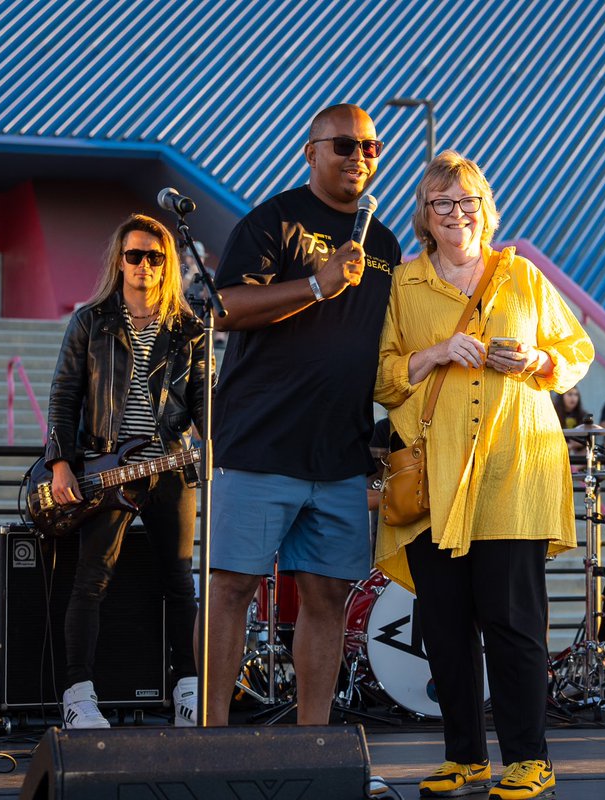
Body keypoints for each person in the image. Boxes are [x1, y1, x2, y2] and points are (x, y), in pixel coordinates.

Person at [374, 151, 593, 800]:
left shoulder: (521, 276)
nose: (456, 213)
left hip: (514, 470)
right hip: (436, 477)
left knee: (513, 621)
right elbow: (383, 376)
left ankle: (530, 758)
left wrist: (537, 359)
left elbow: (577, 354)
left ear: (485, 208)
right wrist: (437, 353)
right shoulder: (404, 286)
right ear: (425, 214)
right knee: (444, 623)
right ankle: (464, 755)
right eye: (442, 203)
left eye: (467, 201)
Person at [202, 104, 402, 731]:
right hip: (261, 445)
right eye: (344, 146)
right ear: (311, 152)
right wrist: (316, 286)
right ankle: (209, 738)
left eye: (370, 148)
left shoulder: (386, 243)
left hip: (339, 454)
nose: (359, 158)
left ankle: (313, 740)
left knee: (327, 598)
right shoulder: (273, 220)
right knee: (232, 589)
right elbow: (224, 307)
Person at [44, 213, 208, 728]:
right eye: (134, 255)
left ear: (168, 265)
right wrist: (62, 463)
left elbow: (205, 400)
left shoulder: (188, 328)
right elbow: (64, 394)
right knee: (91, 580)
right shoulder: (90, 321)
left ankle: (188, 690)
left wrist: (217, 447)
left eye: (154, 257)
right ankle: (77, 696)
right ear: (119, 260)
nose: (143, 265)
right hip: (104, 470)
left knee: (179, 581)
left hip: (169, 468)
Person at [552, 387, 589, 456]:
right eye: (570, 394)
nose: (573, 398)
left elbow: (588, 439)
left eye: (576, 395)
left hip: (578, 452)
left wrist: (572, 445)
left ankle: (575, 467)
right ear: (561, 396)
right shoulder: (553, 414)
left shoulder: (583, 415)